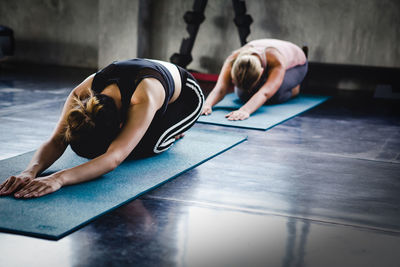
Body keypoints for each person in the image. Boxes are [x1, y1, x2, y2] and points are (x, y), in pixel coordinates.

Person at [0, 58, 204, 198]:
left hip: (186, 98)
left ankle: (174, 132)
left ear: (120, 124)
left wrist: (58, 178)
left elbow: (113, 158)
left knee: (140, 148)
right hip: (142, 88)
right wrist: (30, 171)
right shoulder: (81, 95)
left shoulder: (143, 97)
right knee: (116, 145)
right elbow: (57, 140)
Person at [202, 38, 308, 120]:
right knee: (242, 95)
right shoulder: (232, 60)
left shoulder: (276, 61)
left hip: (297, 65)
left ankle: (295, 89)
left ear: (261, 73)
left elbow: (265, 93)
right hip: (263, 59)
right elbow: (221, 88)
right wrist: (207, 104)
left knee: (274, 95)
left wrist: (245, 110)